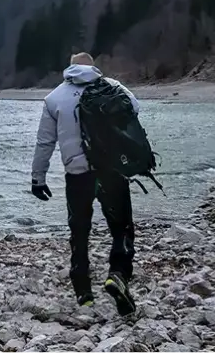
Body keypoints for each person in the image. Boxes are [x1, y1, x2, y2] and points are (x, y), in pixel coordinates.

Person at [29, 52, 139, 315]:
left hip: (78, 176)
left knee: (79, 233)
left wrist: (38, 178)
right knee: (121, 229)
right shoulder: (112, 86)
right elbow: (134, 109)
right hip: (112, 171)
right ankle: (118, 275)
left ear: (69, 67)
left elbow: (45, 142)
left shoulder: (54, 97)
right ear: (93, 67)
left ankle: (84, 293)